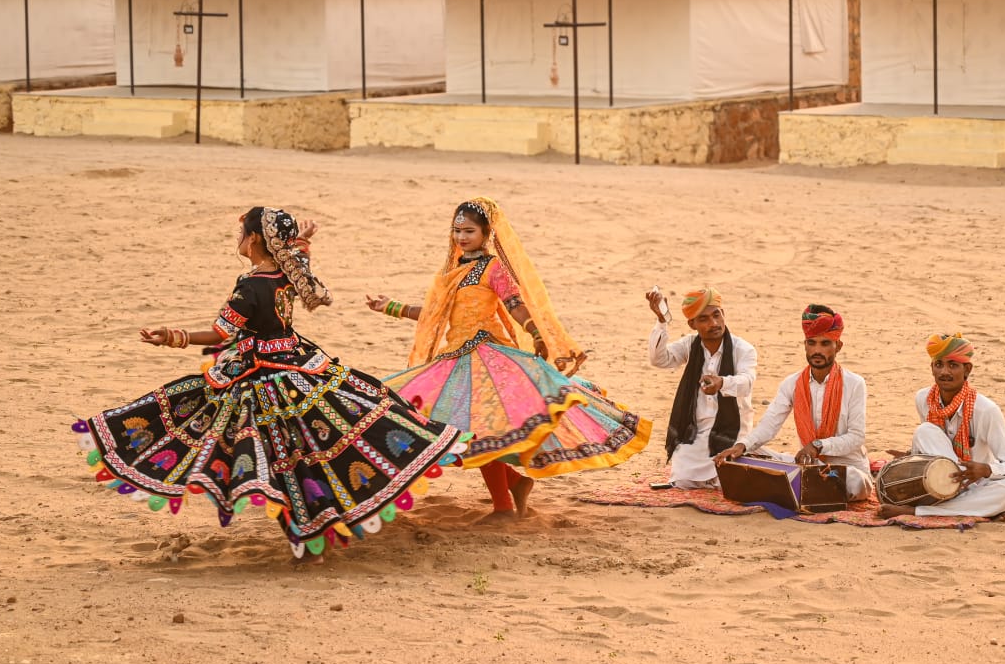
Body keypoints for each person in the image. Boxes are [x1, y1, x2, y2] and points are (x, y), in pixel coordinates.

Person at [71, 207, 467, 563]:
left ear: (255, 239)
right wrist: (302, 243)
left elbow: (220, 333)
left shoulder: (252, 285)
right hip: (300, 365)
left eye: (241, 232)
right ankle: (318, 531)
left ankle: (307, 539)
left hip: (263, 378)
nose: (237, 239)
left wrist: (172, 336)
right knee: (313, 449)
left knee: (277, 461)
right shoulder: (285, 273)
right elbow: (297, 263)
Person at [369, 197, 651, 520]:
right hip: (455, 358)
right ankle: (516, 484)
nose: (461, 237)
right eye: (457, 230)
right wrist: (390, 307)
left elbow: (515, 303)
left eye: (469, 231)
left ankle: (504, 505)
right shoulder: (452, 271)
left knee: (482, 431)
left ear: (487, 233)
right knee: (456, 429)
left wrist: (535, 332)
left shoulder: (493, 268)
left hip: (489, 357)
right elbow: (435, 314)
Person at [714, 304, 873, 500]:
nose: (817, 350)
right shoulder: (792, 384)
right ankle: (800, 486)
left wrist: (817, 446)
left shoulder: (855, 383)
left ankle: (796, 486)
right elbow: (769, 424)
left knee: (855, 481)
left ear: (838, 346)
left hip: (844, 470)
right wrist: (742, 446)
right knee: (746, 452)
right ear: (805, 344)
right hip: (807, 466)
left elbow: (856, 437)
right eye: (812, 343)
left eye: (825, 344)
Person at [877, 333, 1005, 519]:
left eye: (953, 365)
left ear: (967, 369)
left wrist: (986, 470)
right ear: (932, 368)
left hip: (976, 484)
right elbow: (934, 447)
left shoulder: (986, 410)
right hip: (938, 482)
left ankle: (918, 512)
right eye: (939, 364)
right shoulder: (923, 399)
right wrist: (912, 456)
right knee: (925, 430)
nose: (944, 372)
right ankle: (975, 508)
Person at [647, 286, 755, 489]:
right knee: (682, 480)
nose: (714, 323)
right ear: (692, 324)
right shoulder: (690, 345)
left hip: (733, 433)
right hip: (695, 434)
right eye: (704, 319)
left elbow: (746, 382)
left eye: (716, 315)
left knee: (730, 483)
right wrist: (661, 321)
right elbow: (659, 360)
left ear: (723, 314)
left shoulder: (743, 349)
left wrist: (722, 382)